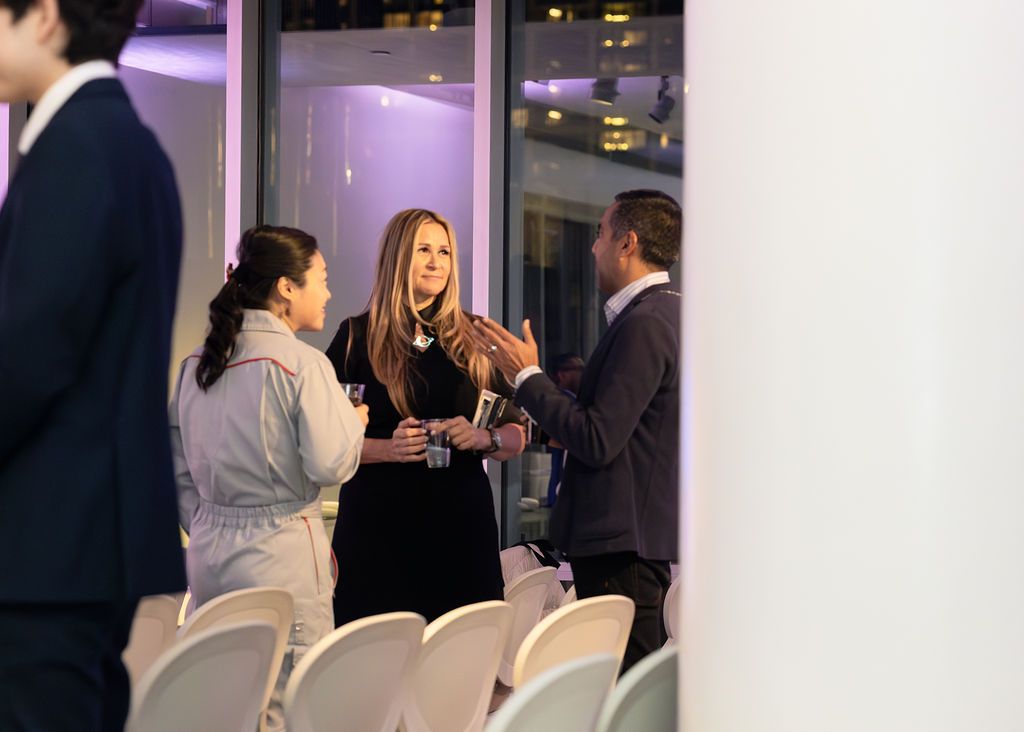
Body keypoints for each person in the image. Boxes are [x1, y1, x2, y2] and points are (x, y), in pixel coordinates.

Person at [0, 1, 186, 728]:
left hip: (49, 546)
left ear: (44, 17)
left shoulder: (76, 147)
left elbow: (28, 357)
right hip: (83, 542)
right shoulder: (130, 144)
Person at [170, 225, 367, 731]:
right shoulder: (301, 364)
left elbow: (177, 470)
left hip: (210, 556)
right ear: (286, 286)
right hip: (282, 558)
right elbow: (330, 464)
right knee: (291, 707)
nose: (327, 293)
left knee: (220, 702)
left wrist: (215, 519)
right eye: (320, 279)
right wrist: (355, 423)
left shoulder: (197, 363)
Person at [475, 189, 681, 673]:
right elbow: (623, 430)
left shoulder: (647, 321)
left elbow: (597, 437)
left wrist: (528, 377)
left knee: (621, 686)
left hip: (619, 544)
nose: (593, 248)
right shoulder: (668, 313)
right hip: (633, 539)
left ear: (626, 243)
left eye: (600, 234)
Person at [326, 208, 525, 625]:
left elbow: (516, 434)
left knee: (462, 665)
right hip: (377, 532)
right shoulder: (355, 338)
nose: (437, 262)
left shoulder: (477, 337)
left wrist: (483, 438)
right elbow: (325, 442)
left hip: (460, 529)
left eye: (445, 252)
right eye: (423, 250)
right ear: (398, 256)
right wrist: (387, 448)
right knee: (375, 667)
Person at [544, 353, 585, 505]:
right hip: (564, 489)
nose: (584, 372)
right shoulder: (564, 402)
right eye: (579, 368)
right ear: (562, 375)